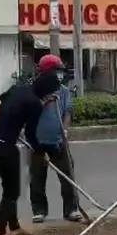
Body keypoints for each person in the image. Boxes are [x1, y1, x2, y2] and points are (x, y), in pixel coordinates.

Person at [0, 68, 62, 235]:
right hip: (6, 148)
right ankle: (0, 231)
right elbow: (30, 134)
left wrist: (11, 121)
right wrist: (40, 152)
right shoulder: (35, 103)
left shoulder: (18, 89)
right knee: (12, 191)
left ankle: (14, 227)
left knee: (10, 187)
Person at [29, 54, 82, 223]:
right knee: (37, 178)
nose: (59, 75)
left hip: (58, 141)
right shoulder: (33, 91)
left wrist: (64, 131)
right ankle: (39, 211)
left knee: (68, 174)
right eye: (55, 71)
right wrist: (45, 102)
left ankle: (71, 209)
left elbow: (67, 112)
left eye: (60, 71)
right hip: (37, 141)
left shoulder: (64, 91)